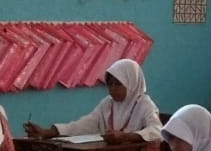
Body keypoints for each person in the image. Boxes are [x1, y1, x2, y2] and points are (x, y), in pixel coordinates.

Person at [25, 58, 162, 144]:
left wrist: (126, 137)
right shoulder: (108, 103)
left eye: (118, 84)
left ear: (132, 83)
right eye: (109, 84)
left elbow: (157, 131)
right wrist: (48, 132)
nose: (112, 89)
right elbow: (84, 124)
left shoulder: (144, 104)